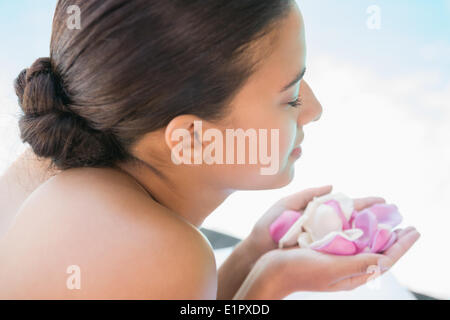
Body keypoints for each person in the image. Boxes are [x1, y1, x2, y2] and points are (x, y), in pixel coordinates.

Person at [0, 0, 420, 299]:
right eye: (290, 96)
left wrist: (255, 254)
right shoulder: (159, 252)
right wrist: (272, 283)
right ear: (193, 139)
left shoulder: (50, 167)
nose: (314, 109)